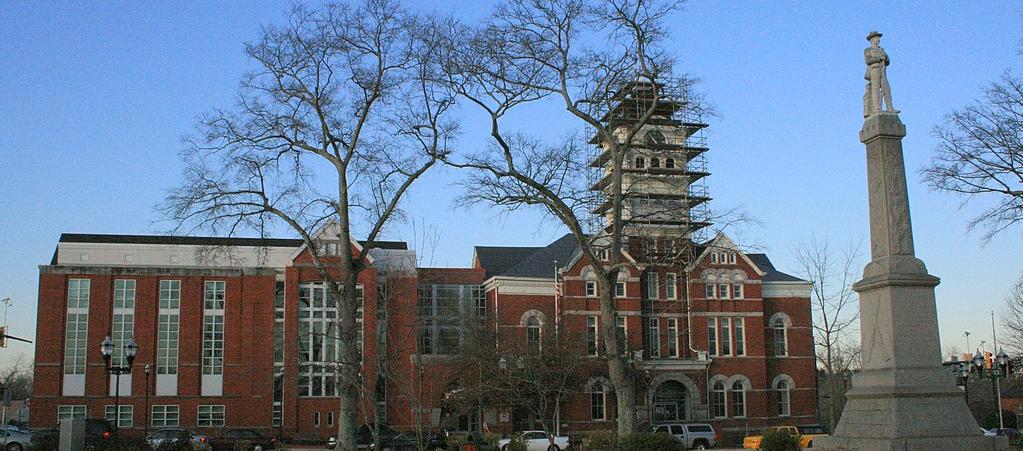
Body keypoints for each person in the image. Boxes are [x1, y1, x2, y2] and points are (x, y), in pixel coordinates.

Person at [863, 31, 899, 116]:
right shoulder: (868, 50)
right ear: (872, 39)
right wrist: (878, 58)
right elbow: (868, 61)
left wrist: (885, 58)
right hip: (874, 69)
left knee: (886, 88)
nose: (878, 39)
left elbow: (888, 61)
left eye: (878, 38)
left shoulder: (881, 49)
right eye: (876, 38)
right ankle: (877, 108)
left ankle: (890, 107)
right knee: (875, 89)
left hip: (883, 69)